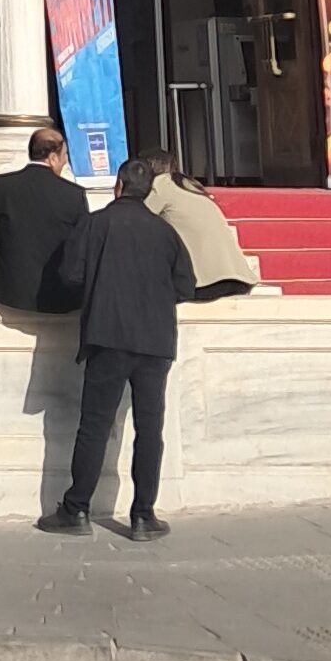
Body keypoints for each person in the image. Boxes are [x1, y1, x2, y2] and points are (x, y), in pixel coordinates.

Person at [42, 153, 195, 542]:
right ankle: (143, 515)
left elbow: (70, 275)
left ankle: (76, 508)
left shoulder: (95, 224)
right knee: (150, 428)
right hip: (156, 340)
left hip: (108, 335)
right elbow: (185, 286)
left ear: (119, 186)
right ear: (148, 191)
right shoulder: (165, 233)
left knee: (95, 424)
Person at [0, 124, 91, 315]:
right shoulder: (73, 195)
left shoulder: (1, 186)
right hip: (57, 292)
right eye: (65, 155)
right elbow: (81, 243)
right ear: (53, 158)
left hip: (8, 287)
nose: (65, 161)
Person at [148, 159, 261, 300]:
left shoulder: (162, 184)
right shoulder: (192, 188)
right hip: (239, 279)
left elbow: (137, 218)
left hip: (206, 283)